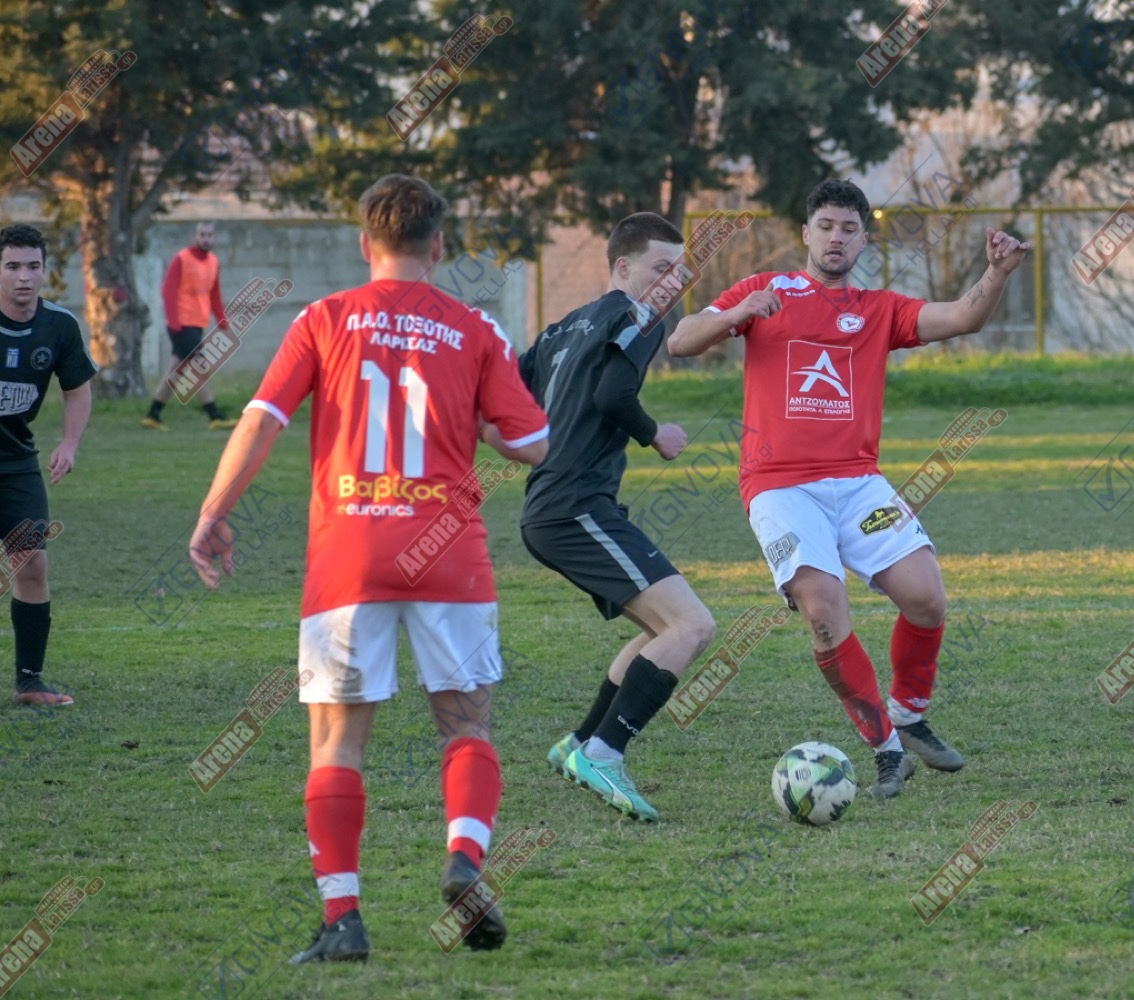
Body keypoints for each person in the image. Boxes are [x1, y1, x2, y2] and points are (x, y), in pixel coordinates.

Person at [188, 175, 549, 963]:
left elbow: (262, 420)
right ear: (439, 245)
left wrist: (214, 511)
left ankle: (343, 920)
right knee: (466, 723)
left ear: (364, 244)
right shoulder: (475, 326)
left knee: (337, 741)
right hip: (449, 551)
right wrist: (483, 424)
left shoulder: (324, 318)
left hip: (349, 554)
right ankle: (465, 856)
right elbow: (532, 443)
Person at [667, 179, 1031, 799]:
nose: (836, 238)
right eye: (826, 226)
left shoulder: (878, 308)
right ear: (806, 233)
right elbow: (679, 342)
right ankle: (887, 749)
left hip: (859, 483)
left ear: (864, 240)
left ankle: (909, 714)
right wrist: (734, 314)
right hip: (780, 486)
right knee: (823, 611)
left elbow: (963, 317)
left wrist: (996, 273)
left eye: (849, 229)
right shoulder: (765, 290)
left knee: (927, 600)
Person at [520, 212, 717, 824]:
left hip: (554, 507)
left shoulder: (562, 328)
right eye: (660, 269)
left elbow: (509, 389)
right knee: (692, 626)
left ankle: (580, 742)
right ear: (623, 267)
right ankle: (605, 752)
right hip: (574, 505)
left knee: (663, 628)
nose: (670, 283)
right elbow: (612, 395)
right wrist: (656, 434)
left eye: (678, 273)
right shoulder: (638, 318)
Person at [0, 224, 95, 711]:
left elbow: (77, 388)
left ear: (44, 272)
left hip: (17, 459)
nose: (24, 277)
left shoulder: (60, 326)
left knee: (32, 562)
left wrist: (70, 444)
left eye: (33, 267)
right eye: (13, 267)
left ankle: (30, 681)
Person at [143, 221, 239, 430]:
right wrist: (173, 321)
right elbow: (168, 291)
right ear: (195, 237)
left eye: (209, 235)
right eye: (202, 235)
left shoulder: (213, 262)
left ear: (214, 238)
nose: (206, 239)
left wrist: (221, 319)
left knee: (176, 370)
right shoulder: (182, 259)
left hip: (197, 323)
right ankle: (215, 415)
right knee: (200, 366)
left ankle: (153, 414)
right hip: (182, 325)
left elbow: (214, 293)